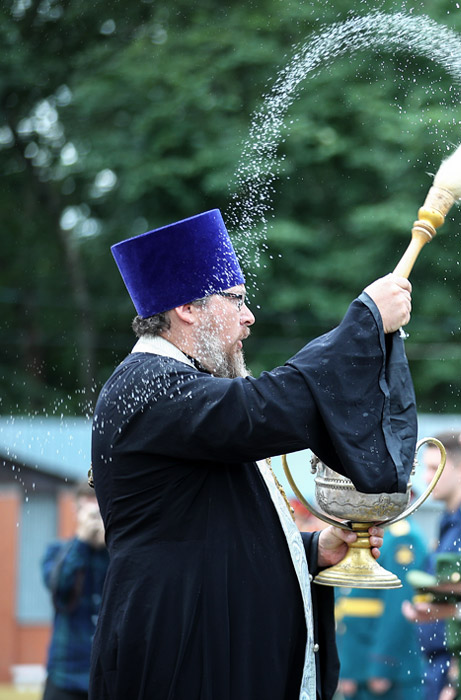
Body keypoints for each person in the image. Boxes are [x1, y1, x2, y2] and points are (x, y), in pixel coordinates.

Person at [89, 209, 411, 700]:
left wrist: (311, 551)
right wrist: (364, 323)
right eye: (236, 299)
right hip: (178, 648)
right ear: (187, 308)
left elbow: (211, 527)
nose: (249, 316)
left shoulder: (182, 387)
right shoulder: (148, 383)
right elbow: (263, 411)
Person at [402, 432, 461, 700]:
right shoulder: (449, 520)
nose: (426, 478)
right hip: (438, 662)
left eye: (435, 469)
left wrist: (456, 675)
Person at [336, 518, 429, 700]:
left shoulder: (402, 537)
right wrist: (346, 666)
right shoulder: (364, 532)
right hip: (359, 667)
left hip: (388, 675)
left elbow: (398, 608)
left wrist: (384, 664)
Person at [41, 483, 109, 700]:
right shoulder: (57, 552)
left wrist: (111, 542)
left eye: (99, 512)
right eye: (89, 512)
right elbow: (60, 587)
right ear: (76, 512)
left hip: (108, 676)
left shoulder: (118, 555)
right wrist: (82, 541)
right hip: (65, 676)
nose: (94, 519)